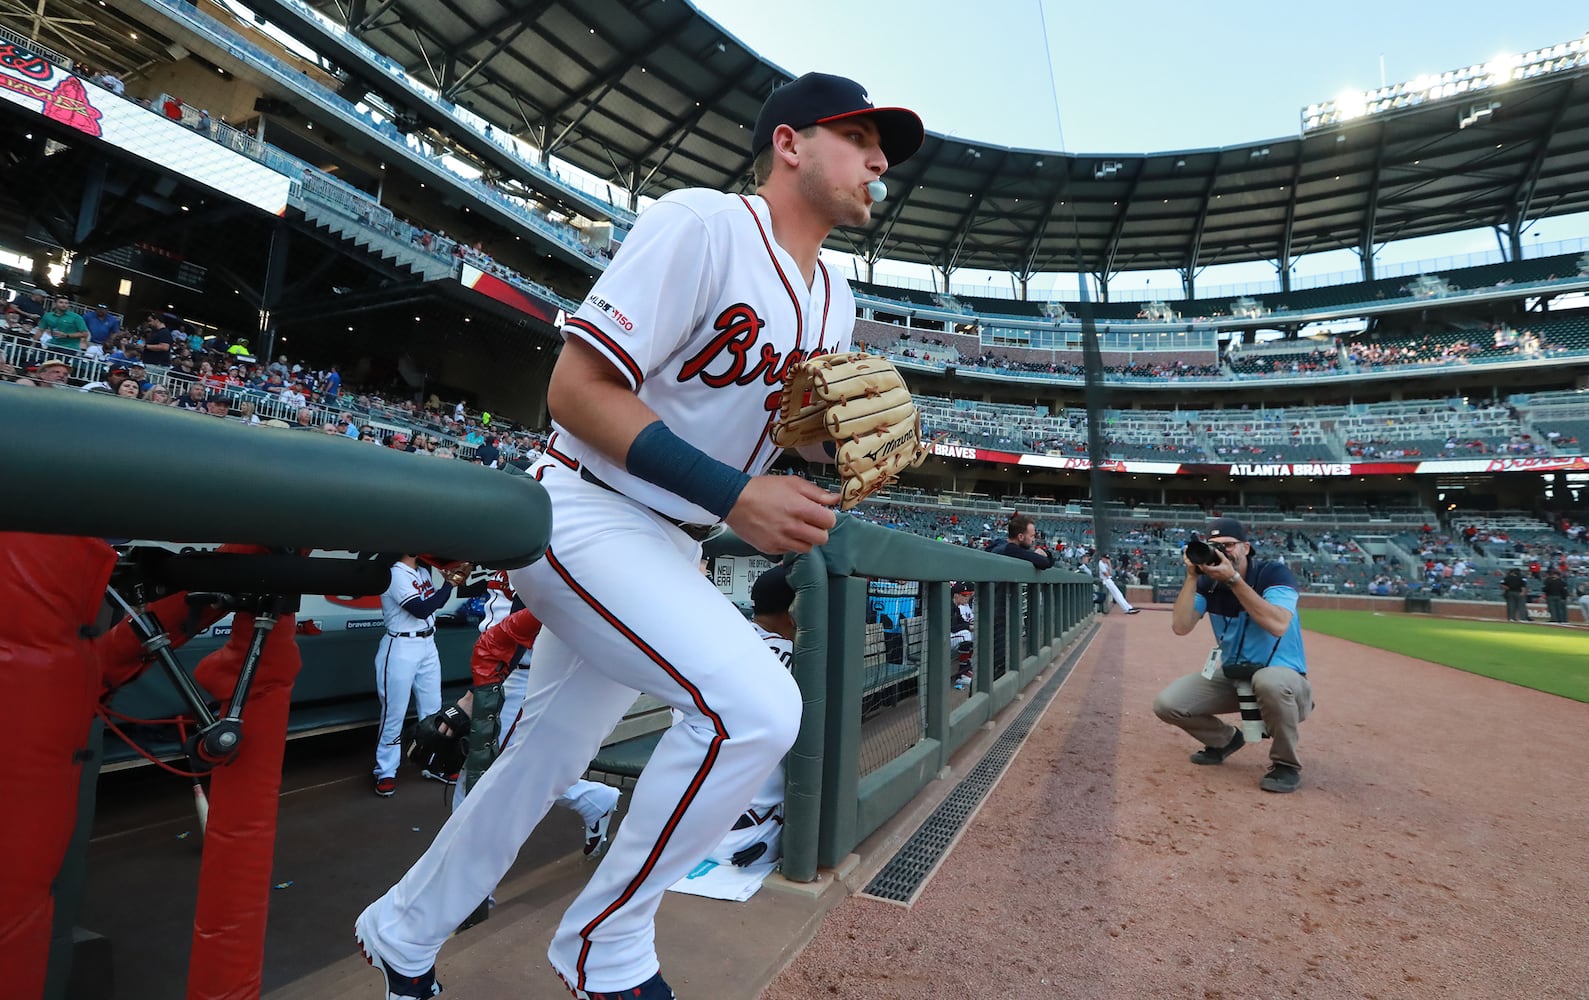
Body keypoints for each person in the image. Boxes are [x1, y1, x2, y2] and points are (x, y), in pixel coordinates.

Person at [355, 71, 923, 1000]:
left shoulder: (835, 300)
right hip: (583, 509)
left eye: (883, 149)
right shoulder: (701, 223)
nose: (877, 161)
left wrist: (817, 438)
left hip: (672, 540)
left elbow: (766, 424)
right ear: (789, 143)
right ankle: (605, 948)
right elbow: (575, 392)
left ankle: (402, 933)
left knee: (541, 762)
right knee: (755, 709)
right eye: (859, 136)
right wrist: (736, 493)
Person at [1153, 517, 1313, 794]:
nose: (1222, 552)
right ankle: (1224, 740)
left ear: (1246, 548)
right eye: (1214, 546)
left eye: (1228, 545)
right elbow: (1181, 626)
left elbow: (1278, 624)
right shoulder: (1208, 583)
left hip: (1283, 678)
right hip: (1235, 675)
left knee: (1269, 681)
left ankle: (1286, 765)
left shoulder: (1272, 574)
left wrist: (1235, 580)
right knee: (1167, 703)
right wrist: (1192, 577)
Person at [372, 556, 455, 796]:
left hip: (428, 643)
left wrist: (449, 583)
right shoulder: (395, 573)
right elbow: (421, 609)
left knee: (433, 709)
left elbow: (435, 605)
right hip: (400, 646)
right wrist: (450, 584)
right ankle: (385, 771)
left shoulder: (423, 572)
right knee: (394, 713)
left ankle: (432, 762)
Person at [985, 513, 1055, 569]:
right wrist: (1046, 554)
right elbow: (1044, 562)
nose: (1033, 539)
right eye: (1032, 536)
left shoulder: (998, 543)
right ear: (1020, 537)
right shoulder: (1010, 549)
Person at [1096, 550, 1140, 614]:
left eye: (1107, 558)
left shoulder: (1105, 563)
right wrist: (1109, 572)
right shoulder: (1101, 563)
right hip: (1105, 581)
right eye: (1105, 558)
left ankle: (1128, 608)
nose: (1106, 560)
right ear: (1102, 558)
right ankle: (1127, 609)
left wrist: (1109, 564)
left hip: (1108, 580)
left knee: (1118, 594)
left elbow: (1110, 573)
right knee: (1117, 595)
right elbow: (1106, 574)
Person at [949, 581, 975, 690]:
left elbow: (961, 622)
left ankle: (966, 668)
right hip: (941, 639)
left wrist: (970, 625)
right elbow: (952, 627)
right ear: (956, 595)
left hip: (950, 636)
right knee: (966, 635)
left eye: (968, 595)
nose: (967, 598)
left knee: (973, 633)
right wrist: (968, 627)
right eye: (964, 595)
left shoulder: (956, 607)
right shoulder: (948, 606)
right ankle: (962, 673)